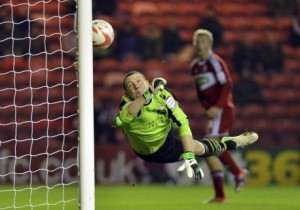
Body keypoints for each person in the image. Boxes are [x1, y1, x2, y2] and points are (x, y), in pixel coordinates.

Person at [115, 71, 258, 186]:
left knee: (198, 148)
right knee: (118, 121)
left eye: (139, 81)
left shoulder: (163, 95)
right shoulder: (126, 104)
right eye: (130, 85)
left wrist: (189, 156)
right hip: (148, 151)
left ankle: (230, 143)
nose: (136, 86)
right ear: (127, 93)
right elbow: (126, 117)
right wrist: (147, 95)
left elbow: (183, 123)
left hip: (167, 138)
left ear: (147, 82)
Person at [189, 29, 250, 203]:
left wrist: (217, 106)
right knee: (209, 152)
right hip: (212, 112)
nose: (199, 44)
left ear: (209, 43)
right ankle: (220, 194)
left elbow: (227, 85)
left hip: (224, 109)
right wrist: (205, 108)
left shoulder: (215, 62)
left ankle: (237, 172)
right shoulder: (194, 66)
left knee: (211, 145)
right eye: (196, 41)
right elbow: (200, 91)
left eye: (202, 41)